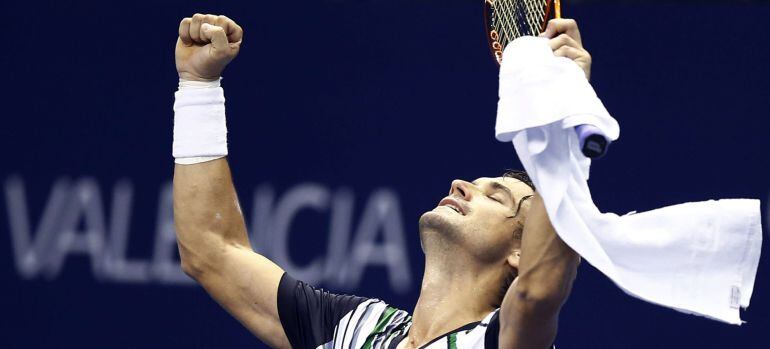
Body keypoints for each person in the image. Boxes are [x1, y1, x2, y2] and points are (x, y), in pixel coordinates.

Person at [173, 13, 590, 349]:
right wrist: (198, 85)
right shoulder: (354, 328)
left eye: (495, 197)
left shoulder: (498, 341)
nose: (463, 185)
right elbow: (212, 251)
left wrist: (568, 114)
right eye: (478, 183)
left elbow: (539, 287)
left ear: (521, 252)